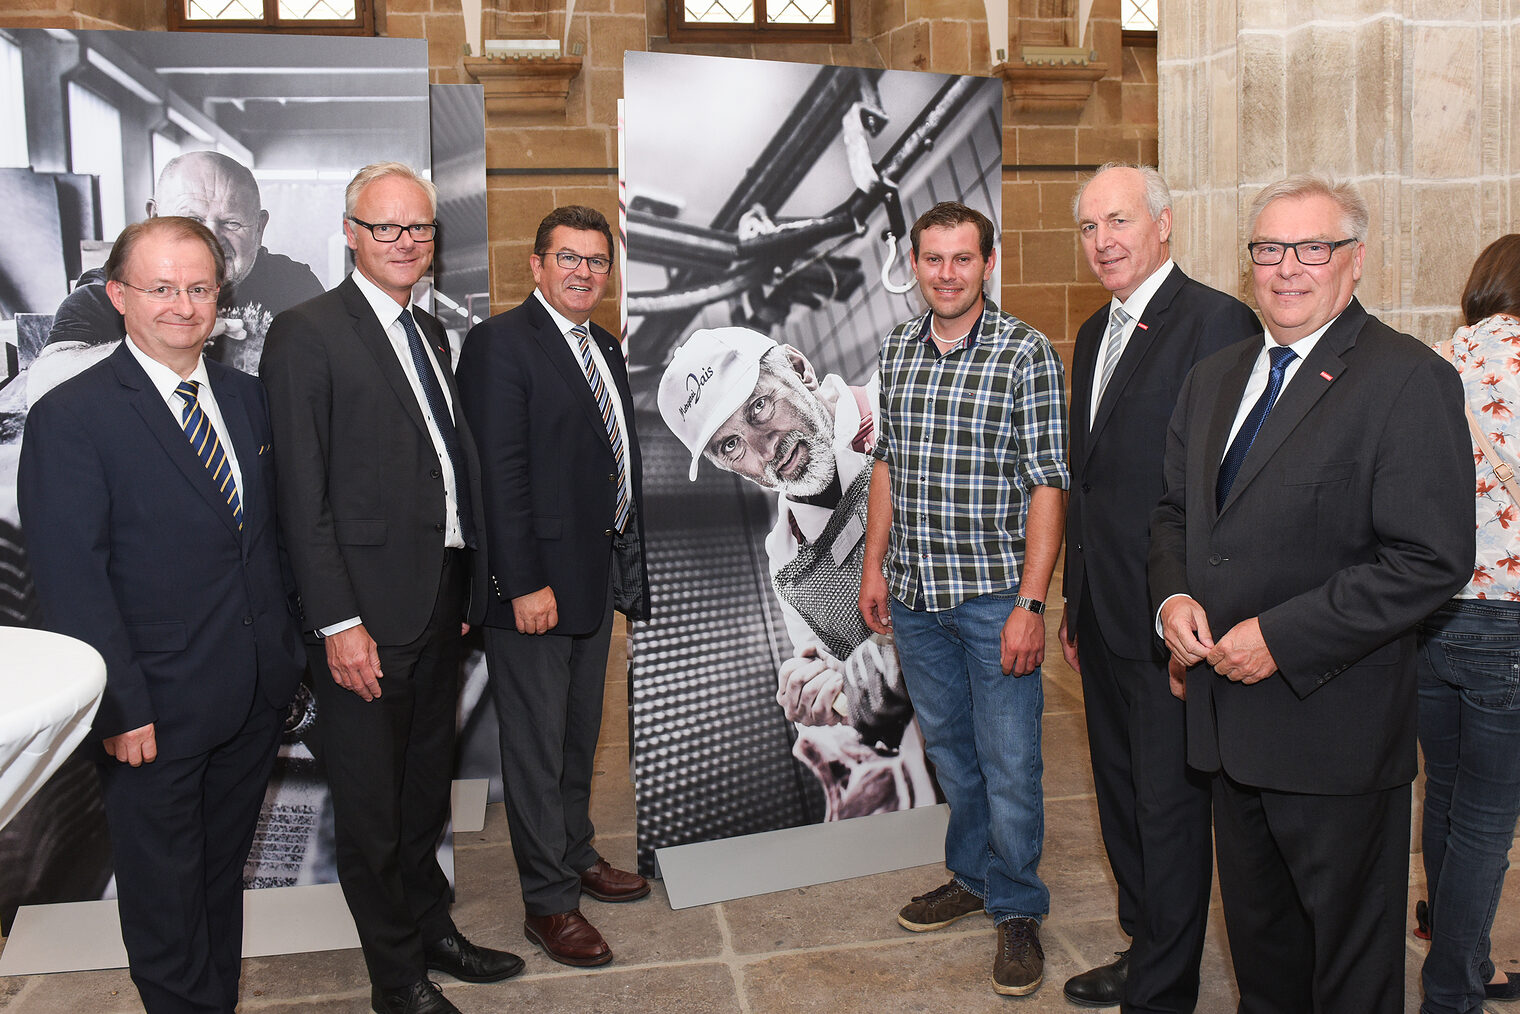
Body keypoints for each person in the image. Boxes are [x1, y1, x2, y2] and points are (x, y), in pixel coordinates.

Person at [1149, 173, 1474, 1013]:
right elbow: (1176, 516)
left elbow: (1428, 559)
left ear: (1354, 261)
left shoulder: (1407, 380)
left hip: (1333, 735)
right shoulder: (1214, 377)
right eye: (1268, 249)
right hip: (1226, 731)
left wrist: (1283, 637)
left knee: (1351, 978)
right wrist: (1172, 600)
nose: (1287, 268)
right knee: (1265, 965)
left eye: (1312, 248)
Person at [17, 216, 304, 1012]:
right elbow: (72, 581)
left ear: (222, 297)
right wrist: (120, 709)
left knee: (218, 881)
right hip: (152, 714)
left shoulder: (248, 401)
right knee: (165, 902)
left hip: (251, 698)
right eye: (162, 288)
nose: (183, 305)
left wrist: (286, 662)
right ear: (118, 296)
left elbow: (267, 543)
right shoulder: (72, 417)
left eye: (199, 287)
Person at [260, 162, 520, 1014]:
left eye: (419, 229)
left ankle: (432, 929)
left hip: (438, 600)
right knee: (371, 810)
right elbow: (303, 495)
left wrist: (464, 586)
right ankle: (395, 980)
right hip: (362, 616)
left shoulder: (431, 332)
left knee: (420, 791)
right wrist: (337, 623)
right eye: (387, 228)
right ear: (350, 234)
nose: (407, 242)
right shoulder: (307, 333)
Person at [1059, 164, 1259, 1012]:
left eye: (1120, 221)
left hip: (1173, 612)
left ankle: (1165, 986)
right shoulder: (1090, 332)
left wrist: (1196, 604)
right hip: (1102, 610)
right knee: (1120, 794)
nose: (1104, 241)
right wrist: (1073, 597)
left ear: (1164, 225)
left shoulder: (1218, 322)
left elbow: (1227, 484)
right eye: (1090, 228)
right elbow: (1090, 481)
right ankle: (1145, 942)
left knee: (1170, 804)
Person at [858, 200, 1068, 998]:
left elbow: (1049, 482)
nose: (947, 274)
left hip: (991, 600)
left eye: (963, 259)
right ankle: (973, 877)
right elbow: (886, 466)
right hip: (913, 597)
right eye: (933, 259)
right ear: (914, 264)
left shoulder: (1026, 355)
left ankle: (1017, 907)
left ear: (989, 262)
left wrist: (1032, 603)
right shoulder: (898, 350)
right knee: (952, 756)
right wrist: (874, 568)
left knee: (1011, 761)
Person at [455, 205, 651, 969]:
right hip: (534, 590)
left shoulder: (603, 343)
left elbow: (608, 461)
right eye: (567, 258)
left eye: (596, 261)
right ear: (536, 266)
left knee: (576, 737)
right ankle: (548, 903)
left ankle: (575, 854)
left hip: (592, 580)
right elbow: (496, 477)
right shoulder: (500, 344)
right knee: (535, 750)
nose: (582, 272)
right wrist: (522, 583)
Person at [656, 326, 935, 820]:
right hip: (931, 784)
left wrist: (901, 654)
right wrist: (823, 708)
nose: (765, 452)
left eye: (759, 407)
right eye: (731, 446)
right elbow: (844, 698)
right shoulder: (787, 557)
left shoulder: (909, 409)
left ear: (798, 368)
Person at [1418, 233, 1520, 1014]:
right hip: (1509, 622)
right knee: (1489, 819)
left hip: (1428, 612)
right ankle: (1452, 989)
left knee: (1446, 795)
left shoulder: (1434, 359)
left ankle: (1465, 957)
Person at [49, 150, 323, 371]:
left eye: (232, 223)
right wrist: (161, 348)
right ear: (154, 217)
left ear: (259, 228)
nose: (210, 239)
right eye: (191, 220)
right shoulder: (111, 290)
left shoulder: (293, 285)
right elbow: (44, 385)